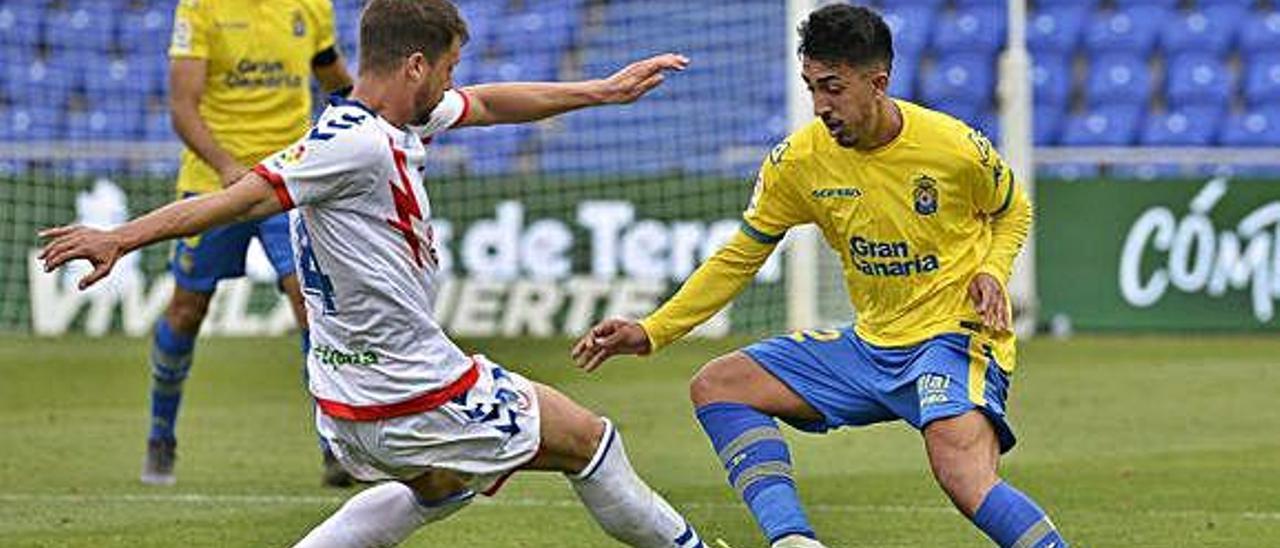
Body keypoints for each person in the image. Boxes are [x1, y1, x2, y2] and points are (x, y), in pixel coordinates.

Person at [41, 1, 704, 546]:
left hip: (346, 398)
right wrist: (120, 237)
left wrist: (602, 90)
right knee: (591, 441)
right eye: (447, 68)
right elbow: (237, 200)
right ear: (416, 65)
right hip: (412, 389)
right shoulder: (350, 146)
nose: (451, 83)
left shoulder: (375, 122)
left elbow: (492, 105)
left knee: (442, 487)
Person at [572, 5, 1066, 548]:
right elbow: (741, 255)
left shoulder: (952, 147)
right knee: (719, 385)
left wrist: (994, 271)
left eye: (832, 88)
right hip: (871, 345)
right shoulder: (798, 162)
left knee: (963, 476)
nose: (820, 106)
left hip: (953, 338)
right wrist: (653, 329)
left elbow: (1012, 208)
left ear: (877, 83)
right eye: (811, 88)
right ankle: (793, 541)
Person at [151, 0, 355, 486]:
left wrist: (382, 117)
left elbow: (335, 80)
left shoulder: (311, 6)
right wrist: (225, 166)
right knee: (186, 310)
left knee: (310, 305)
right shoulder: (200, 9)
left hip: (290, 181)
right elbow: (182, 107)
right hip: (214, 181)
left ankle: (334, 447)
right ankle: (161, 433)